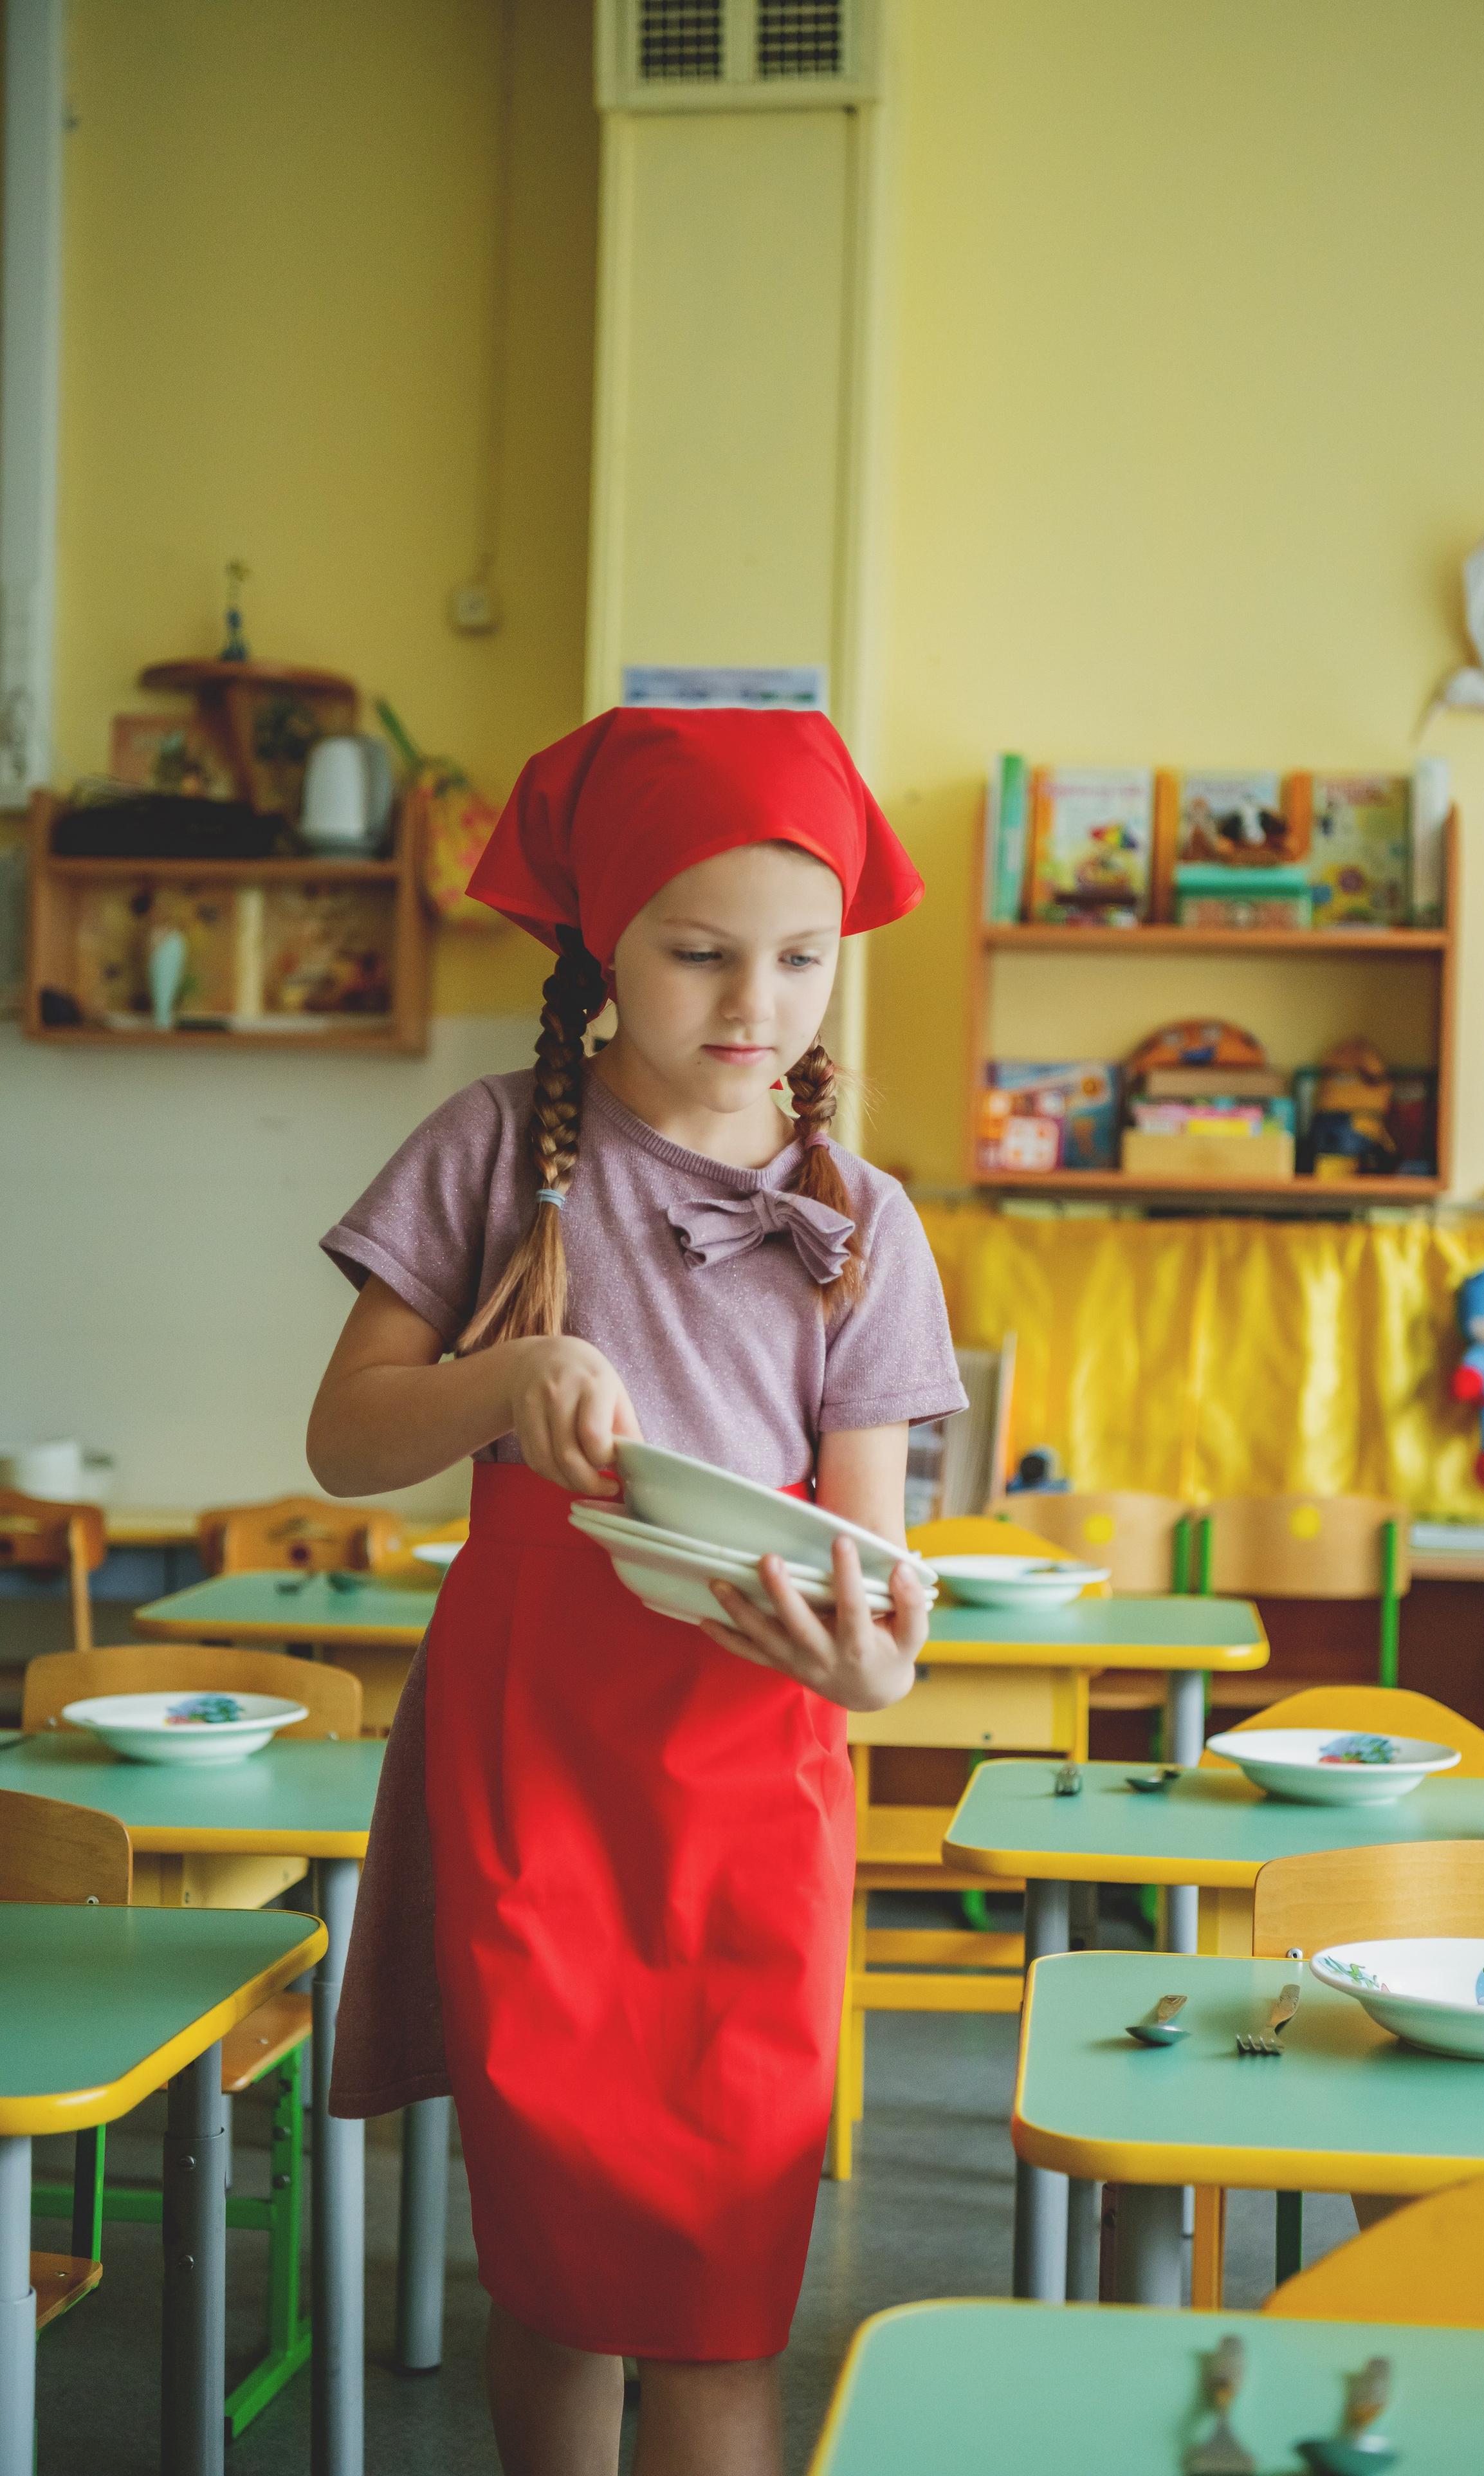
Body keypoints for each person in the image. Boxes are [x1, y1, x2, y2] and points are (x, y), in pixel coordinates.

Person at [306, 707, 966, 2476]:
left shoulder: (863, 1222)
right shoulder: (493, 1145)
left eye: (803, 957)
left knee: (722, 2299)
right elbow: (348, 1438)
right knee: (557, 2274)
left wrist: (876, 1667)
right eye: (699, 952)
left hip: (752, 1784)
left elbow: (875, 1565)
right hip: (536, 1775)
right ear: (602, 940)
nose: (756, 1002)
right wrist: (506, 1384)